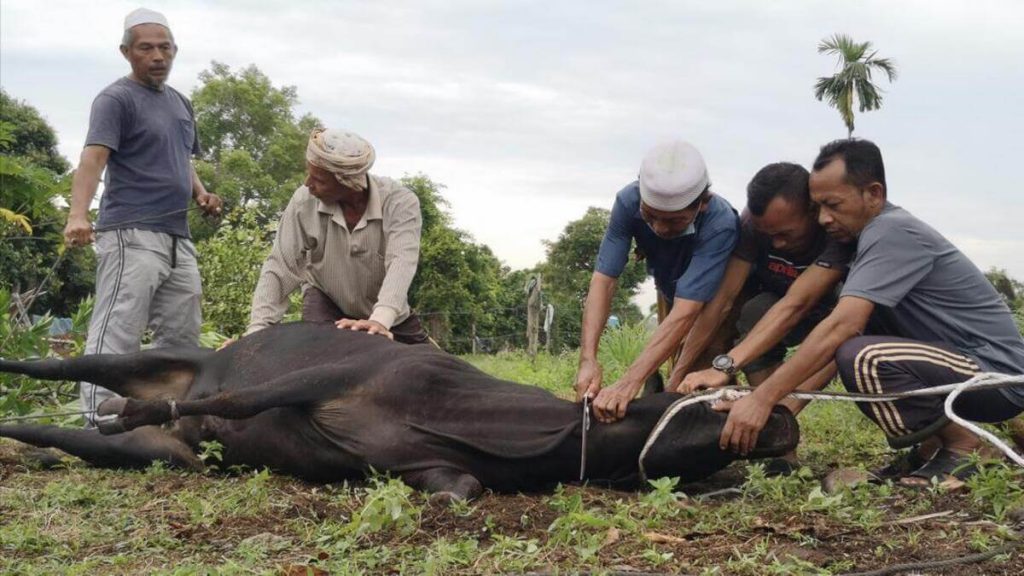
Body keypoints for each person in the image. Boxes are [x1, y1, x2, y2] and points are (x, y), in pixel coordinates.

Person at [716, 139, 1024, 485]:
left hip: (995, 374)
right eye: (817, 207)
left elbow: (841, 327)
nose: (824, 218)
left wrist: (762, 399)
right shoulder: (860, 240)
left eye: (832, 204)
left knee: (862, 357)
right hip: (953, 367)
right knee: (858, 349)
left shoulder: (891, 231)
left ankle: (967, 448)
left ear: (874, 194)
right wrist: (736, 372)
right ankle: (931, 448)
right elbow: (794, 304)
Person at [63, 8, 222, 427]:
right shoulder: (116, 99)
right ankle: (99, 422)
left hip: (177, 237)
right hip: (129, 233)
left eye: (165, 48)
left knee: (182, 334)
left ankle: (166, 419)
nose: (158, 56)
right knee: (118, 331)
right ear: (126, 52)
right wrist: (77, 215)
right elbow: (93, 157)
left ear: (175, 51)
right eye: (146, 48)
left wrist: (201, 193)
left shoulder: (180, 103)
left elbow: (181, 159)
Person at [575, 140, 740, 423]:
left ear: (702, 204)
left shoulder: (720, 222)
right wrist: (588, 358)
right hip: (669, 288)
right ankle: (660, 392)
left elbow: (689, 311)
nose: (660, 229)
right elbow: (603, 281)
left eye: (674, 221)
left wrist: (629, 382)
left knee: (697, 373)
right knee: (671, 360)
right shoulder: (627, 202)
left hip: (714, 298)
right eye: (650, 217)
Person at [670, 163, 853, 406]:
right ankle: (764, 413)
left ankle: (780, 412)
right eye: (768, 234)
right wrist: (678, 373)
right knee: (754, 312)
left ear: (813, 210)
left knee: (845, 337)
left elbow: (795, 305)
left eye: (786, 234)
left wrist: (727, 366)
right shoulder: (752, 226)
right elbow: (723, 300)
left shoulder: (836, 231)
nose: (776, 244)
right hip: (779, 302)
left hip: (835, 312)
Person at [244, 128, 428, 344]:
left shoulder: (400, 203)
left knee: (429, 367)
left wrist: (379, 321)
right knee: (318, 363)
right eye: (309, 174)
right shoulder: (304, 202)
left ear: (348, 183)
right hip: (325, 302)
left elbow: (401, 262)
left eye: (319, 180)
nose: (307, 184)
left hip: (388, 314)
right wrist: (257, 331)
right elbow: (280, 266)